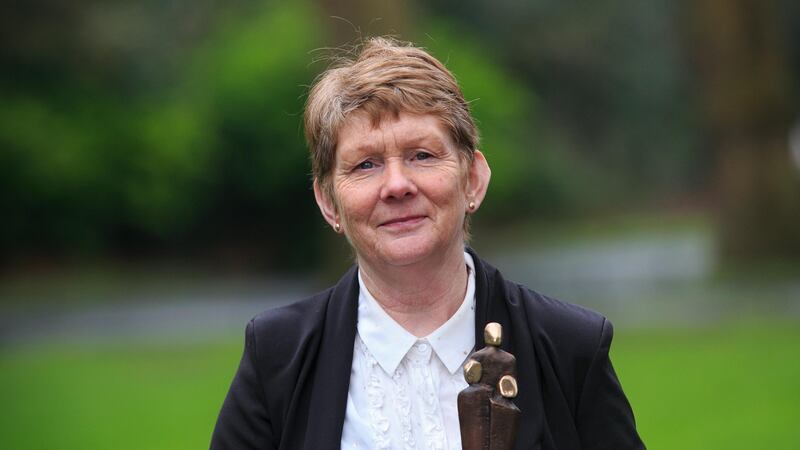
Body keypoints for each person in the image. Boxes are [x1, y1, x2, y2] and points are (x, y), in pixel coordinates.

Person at [211, 37, 644, 450]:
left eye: (422, 155)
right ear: (328, 202)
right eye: (366, 165)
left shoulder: (571, 347)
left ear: (472, 178)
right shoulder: (276, 356)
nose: (396, 185)